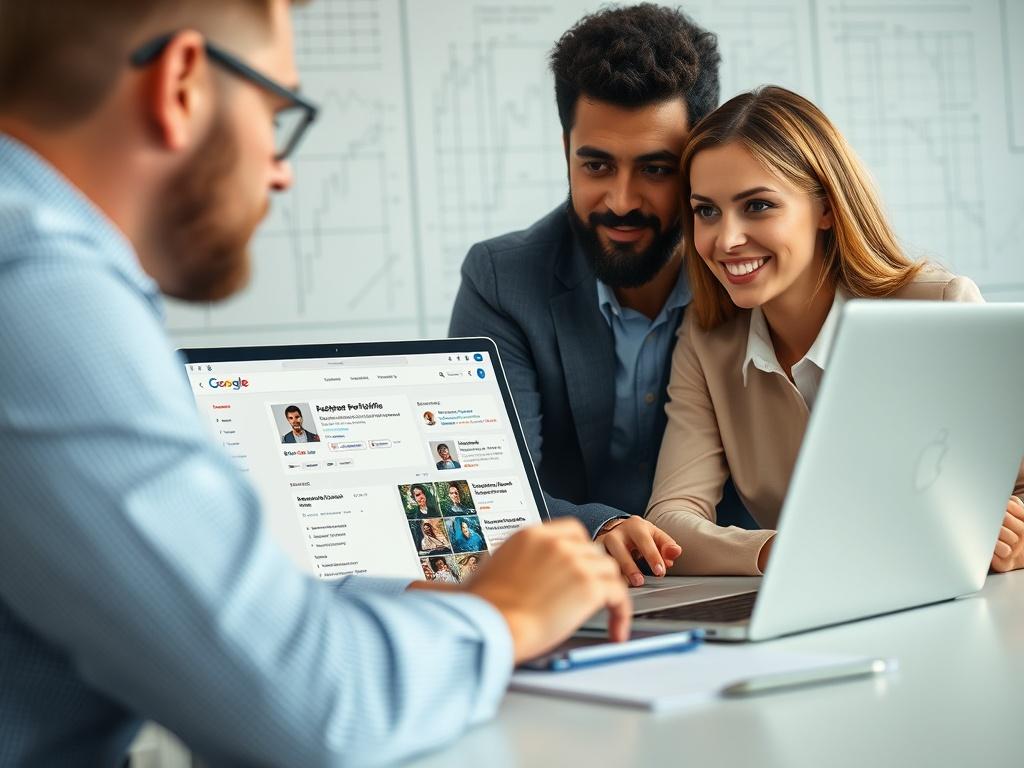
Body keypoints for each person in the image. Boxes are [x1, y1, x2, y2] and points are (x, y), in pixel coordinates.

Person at [0, 2, 633, 764]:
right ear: (183, 86)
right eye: (275, 112)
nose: (281, 169)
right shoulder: (34, 287)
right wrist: (503, 617)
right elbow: (312, 711)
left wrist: (411, 601)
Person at [646, 86, 1024, 576]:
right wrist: (787, 551)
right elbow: (670, 521)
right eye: (706, 211)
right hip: (815, 610)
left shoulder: (940, 306)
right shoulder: (705, 340)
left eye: (757, 206)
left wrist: (1016, 534)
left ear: (826, 208)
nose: (726, 239)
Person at [449, 4, 744, 586]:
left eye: (656, 169)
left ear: (699, 160)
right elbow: (488, 485)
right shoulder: (502, 280)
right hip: (575, 590)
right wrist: (598, 527)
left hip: (738, 579)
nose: (622, 200)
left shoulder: (751, 274)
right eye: (597, 165)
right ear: (566, 151)